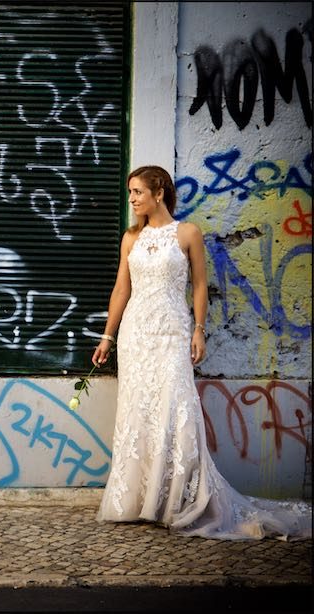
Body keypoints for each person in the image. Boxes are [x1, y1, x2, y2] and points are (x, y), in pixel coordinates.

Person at [92, 165, 311, 540]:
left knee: (177, 410)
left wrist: (198, 329)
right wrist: (107, 337)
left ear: (158, 193)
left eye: (137, 192)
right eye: (130, 192)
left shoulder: (188, 232)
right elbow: (120, 291)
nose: (132, 199)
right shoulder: (131, 238)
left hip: (173, 332)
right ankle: (138, 501)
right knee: (138, 412)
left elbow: (199, 286)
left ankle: (179, 501)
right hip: (136, 335)